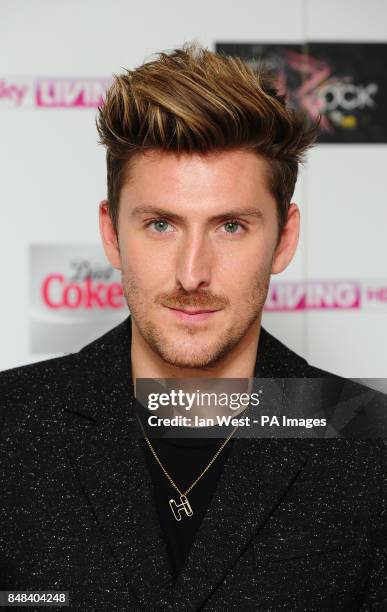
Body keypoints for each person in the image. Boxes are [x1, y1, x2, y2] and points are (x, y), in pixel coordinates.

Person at [0, 43, 385, 611]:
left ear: (283, 239)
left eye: (231, 226)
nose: (192, 273)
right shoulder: (12, 425)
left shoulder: (368, 446)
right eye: (160, 224)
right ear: (111, 234)